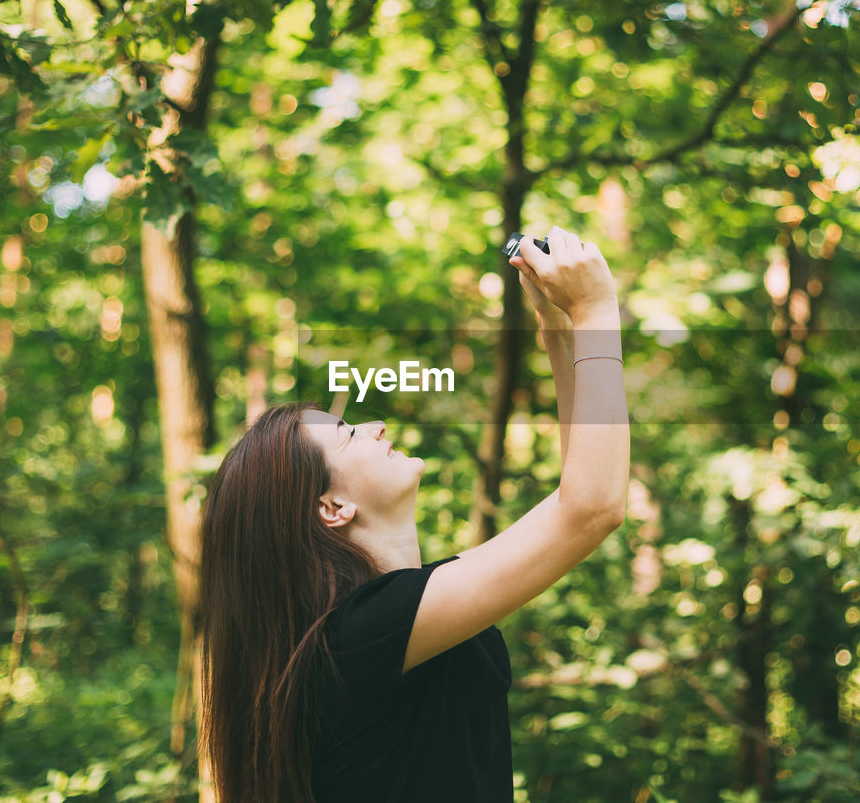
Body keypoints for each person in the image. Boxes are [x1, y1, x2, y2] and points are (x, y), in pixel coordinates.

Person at [199, 226, 629, 802]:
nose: (375, 425)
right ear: (332, 507)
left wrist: (560, 326)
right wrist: (597, 308)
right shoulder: (361, 633)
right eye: (350, 435)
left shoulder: (391, 619)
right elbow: (591, 508)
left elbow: (577, 486)